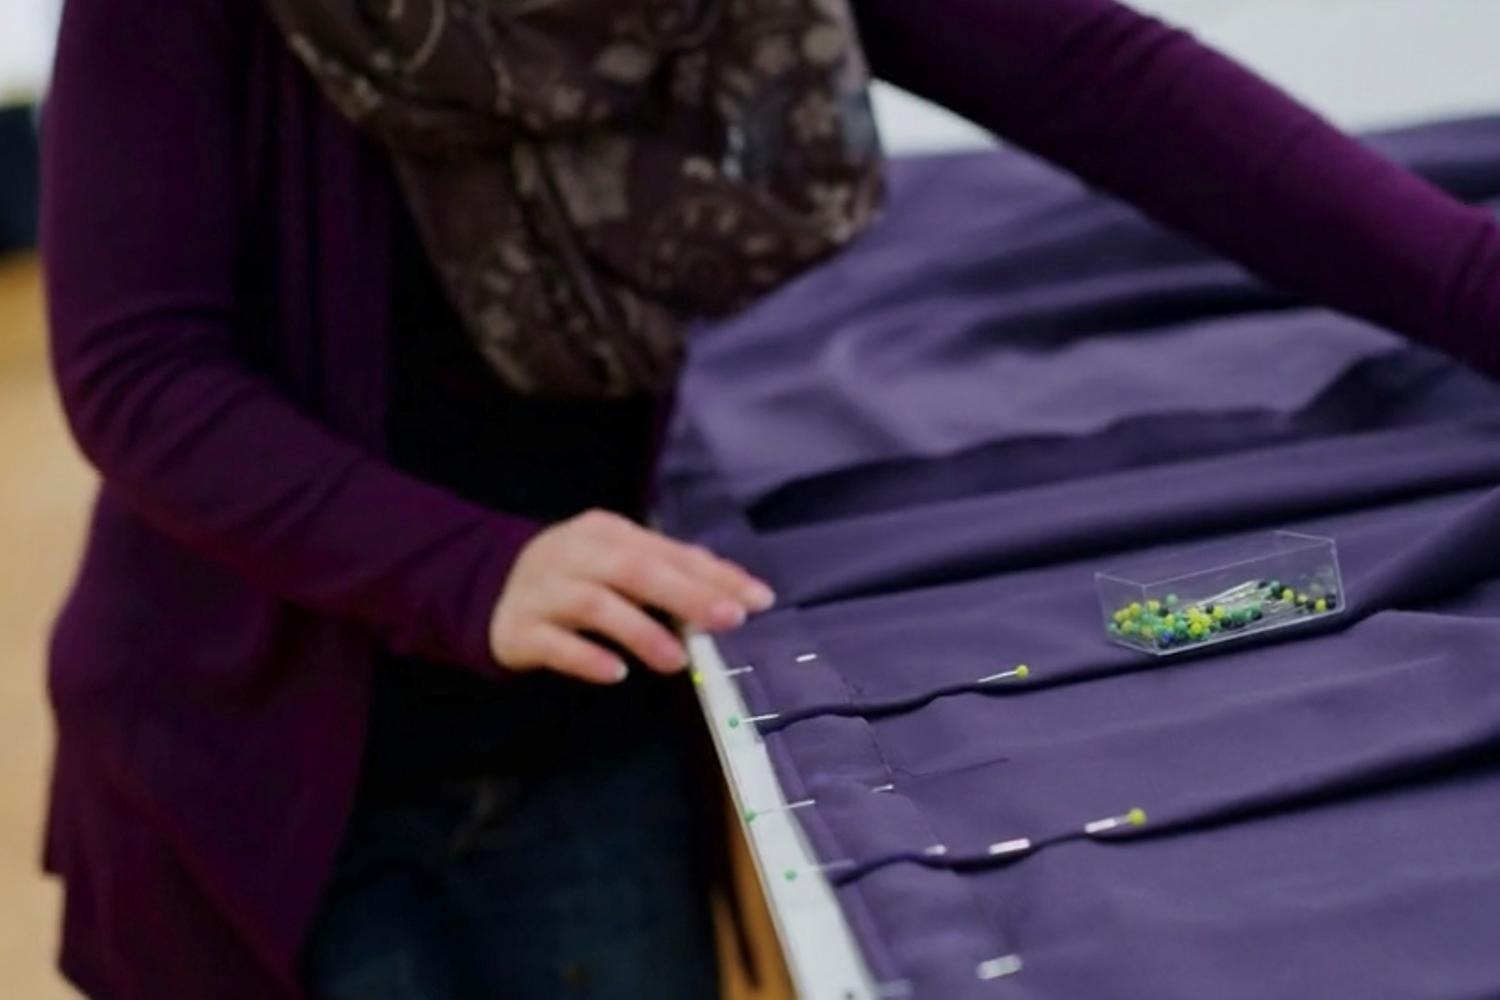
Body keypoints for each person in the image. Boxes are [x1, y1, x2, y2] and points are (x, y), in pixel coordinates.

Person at [40, 1, 1500, 998]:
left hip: (588, 732)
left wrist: (1471, 285)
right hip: (254, 749)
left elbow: (1116, 89)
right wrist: (467, 569)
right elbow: (140, 368)